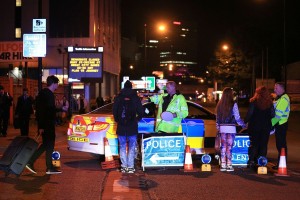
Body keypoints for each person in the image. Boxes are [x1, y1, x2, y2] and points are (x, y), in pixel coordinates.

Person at [26, 75, 62, 174]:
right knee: (49, 145)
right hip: (47, 125)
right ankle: (49, 167)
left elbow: (40, 111)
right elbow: (46, 111)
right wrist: (60, 108)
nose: (57, 85)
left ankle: (31, 162)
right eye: (57, 83)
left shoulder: (42, 94)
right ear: (53, 83)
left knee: (46, 145)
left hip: (44, 124)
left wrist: (41, 125)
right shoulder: (48, 95)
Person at [113, 80, 144, 173]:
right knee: (131, 146)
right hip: (132, 126)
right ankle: (130, 167)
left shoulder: (118, 97)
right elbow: (141, 111)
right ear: (131, 87)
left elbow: (114, 111)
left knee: (122, 146)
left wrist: (118, 120)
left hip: (121, 126)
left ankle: (123, 167)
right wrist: (136, 119)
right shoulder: (135, 98)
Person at [216, 87, 246, 172]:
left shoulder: (219, 104)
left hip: (222, 128)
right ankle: (229, 165)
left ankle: (223, 165)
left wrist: (218, 128)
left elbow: (217, 118)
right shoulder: (234, 104)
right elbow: (237, 117)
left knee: (223, 147)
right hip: (231, 128)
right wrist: (243, 124)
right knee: (229, 147)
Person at [244, 86, 275, 169]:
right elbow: (273, 115)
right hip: (266, 126)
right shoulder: (270, 103)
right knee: (263, 145)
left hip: (254, 126)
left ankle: (250, 162)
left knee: (254, 144)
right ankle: (262, 162)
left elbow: (250, 114)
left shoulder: (253, 102)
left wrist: (244, 122)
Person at [271, 82, 290, 170]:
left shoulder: (284, 99)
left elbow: (278, 115)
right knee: (280, 145)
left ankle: (281, 164)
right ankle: (281, 163)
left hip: (281, 124)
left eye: (276, 88)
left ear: (282, 89)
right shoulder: (281, 98)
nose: (274, 90)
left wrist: (269, 124)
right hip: (280, 124)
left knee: (281, 145)